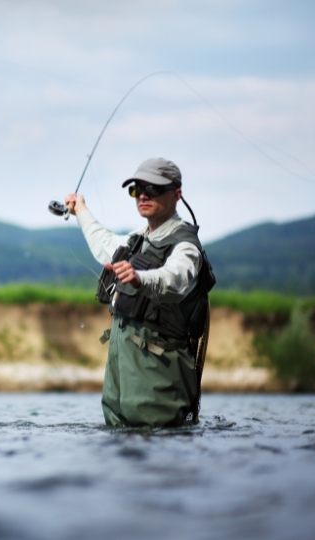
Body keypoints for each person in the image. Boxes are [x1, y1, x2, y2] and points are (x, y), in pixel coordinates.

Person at [65, 157, 210, 428]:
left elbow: (175, 279)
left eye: (153, 188)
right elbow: (105, 244)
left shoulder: (186, 247)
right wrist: (81, 209)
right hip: (121, 379)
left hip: (158, 380)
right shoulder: (137, 240)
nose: (143, 195)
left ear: (177, 194)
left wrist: (139, 278)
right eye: (137, 189)